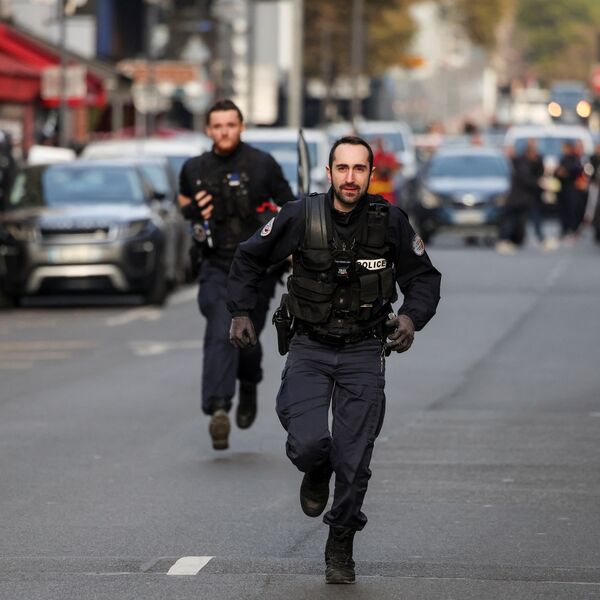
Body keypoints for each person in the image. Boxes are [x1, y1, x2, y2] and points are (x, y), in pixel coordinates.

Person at [227, 136, 441, 584]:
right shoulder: (300, 215)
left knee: (355, 459)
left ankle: (341, 542)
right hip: (310, 344)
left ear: (371, 174)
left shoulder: (390, 221)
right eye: (342, 168)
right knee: (309, 444)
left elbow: (423, 278)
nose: (350, 178)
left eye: (359, 169)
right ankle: (316, 468)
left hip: (364, 347)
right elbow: (249, 257)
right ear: (329, 173)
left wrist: (410, 318)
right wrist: (241, 311)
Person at [178, 99, 295, 451]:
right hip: (215, 265)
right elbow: (183, 204)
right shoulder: (194, 168)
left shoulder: (262, 164)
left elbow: (291, 208)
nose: (224, 131)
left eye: (230, 125)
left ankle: (249, 382)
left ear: (241, 126)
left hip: (257, 270)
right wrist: (195, 210)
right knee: (221, 328)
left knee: (247, 339)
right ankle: (218, 409)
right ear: (208, 130)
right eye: (217, 126)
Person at [496, 139, 550, 254]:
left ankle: (541, 239)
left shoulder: (531, 162)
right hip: (518, 198)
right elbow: (527, 179)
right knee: (512, 220)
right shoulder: (521, 163)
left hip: (526, 198)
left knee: (533, 219)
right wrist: (540, 184)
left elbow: (539, 170)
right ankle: (504, 241)